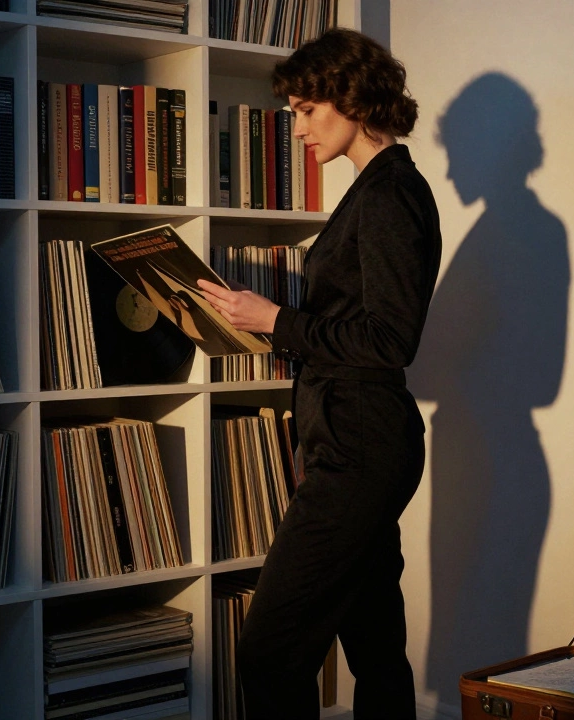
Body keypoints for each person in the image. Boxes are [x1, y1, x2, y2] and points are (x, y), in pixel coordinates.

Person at [197, 27, 442, 720]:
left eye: (307, 109)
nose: (297, 127)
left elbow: (391, 341)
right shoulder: (376, 190)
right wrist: (248, 323)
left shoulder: (391, 194)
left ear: (353, 99)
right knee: (375, 645)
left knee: (270, 649)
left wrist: (277, 320)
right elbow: (351, 330)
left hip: (360, 443)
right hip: (350, 436)